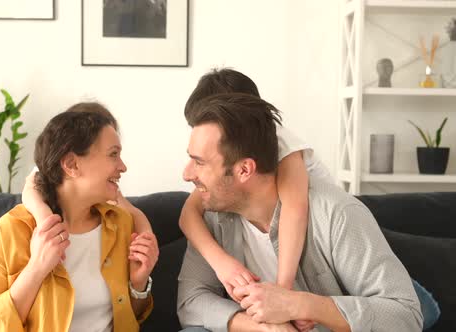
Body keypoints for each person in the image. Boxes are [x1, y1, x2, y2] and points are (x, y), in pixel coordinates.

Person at [177, 93, 422, 331]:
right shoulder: (213, 214)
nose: (186, 174)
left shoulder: (336, 214)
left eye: (199, 162)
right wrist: (263, 327)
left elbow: (406, 317)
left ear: (244, 170)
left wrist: (298, 305)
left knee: (421, 304)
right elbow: (190, 303)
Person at [0, 103, 158, 332]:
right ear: (72, 164)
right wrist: (36, 269)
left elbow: (131, 319)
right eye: (113, 154)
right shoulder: (12, 231)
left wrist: (138, 284)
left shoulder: (121, 224)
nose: (123, 166)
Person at [179, 69, 332, 309]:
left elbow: (295, 210)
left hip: (337, 235)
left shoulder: (281, 141)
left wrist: (283, 291)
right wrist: (222, 264)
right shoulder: (225, 170)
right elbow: (188, 216)